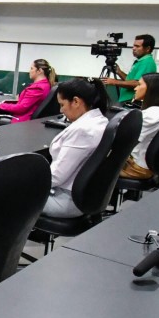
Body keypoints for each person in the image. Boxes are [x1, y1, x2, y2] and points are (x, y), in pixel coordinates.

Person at [42, 78, 111, 218]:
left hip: (64, 201)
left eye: (62, 104)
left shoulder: (82, 131)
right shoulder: (100, 121)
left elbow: (56, 176)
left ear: (76, 101)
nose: (61, 110)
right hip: (84, 196)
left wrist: (24, 183)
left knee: (4, 194)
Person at [119, 73, 159, 180]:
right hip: (143, 163)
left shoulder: (151, 116)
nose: (135, 88)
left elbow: (127, 141)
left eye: (139, 85)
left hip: (136, 168)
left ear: (151, 89)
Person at [0, 59, 56, 123]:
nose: (29, 71)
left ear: (39, 71)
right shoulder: (46, 85)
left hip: (22, 122)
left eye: (32, 68)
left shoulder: (37, 88)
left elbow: (21, 108)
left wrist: (1, 105)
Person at [102, 34, 157, 103]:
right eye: (134, 46)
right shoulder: (140, 61)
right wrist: (119, 72)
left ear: (148, 49)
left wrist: (114, 82)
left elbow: (137, 83)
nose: (133, 48)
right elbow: (130, 80)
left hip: (132, 102)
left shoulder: (147, 63)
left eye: (137, 46)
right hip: (127, 100)